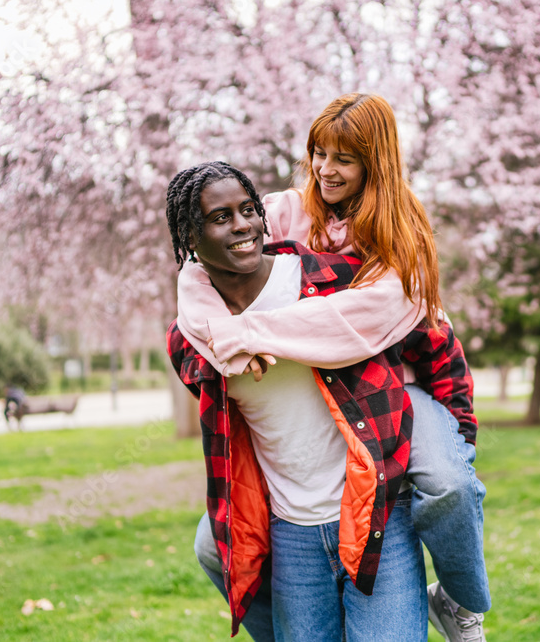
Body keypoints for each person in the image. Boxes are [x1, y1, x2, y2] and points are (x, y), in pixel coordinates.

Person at [176, 94, 490, 641]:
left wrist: (252, 333)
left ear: (374, 162)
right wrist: (221, 339)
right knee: (213, 544)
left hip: (397, 387)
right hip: (331, 402)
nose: (325, 169)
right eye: (318, 153)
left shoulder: (402, 231)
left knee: (448, 484)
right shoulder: (291, 209)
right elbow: (203, 261)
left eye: (343, 158)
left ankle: (459, 602)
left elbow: (359, 322)